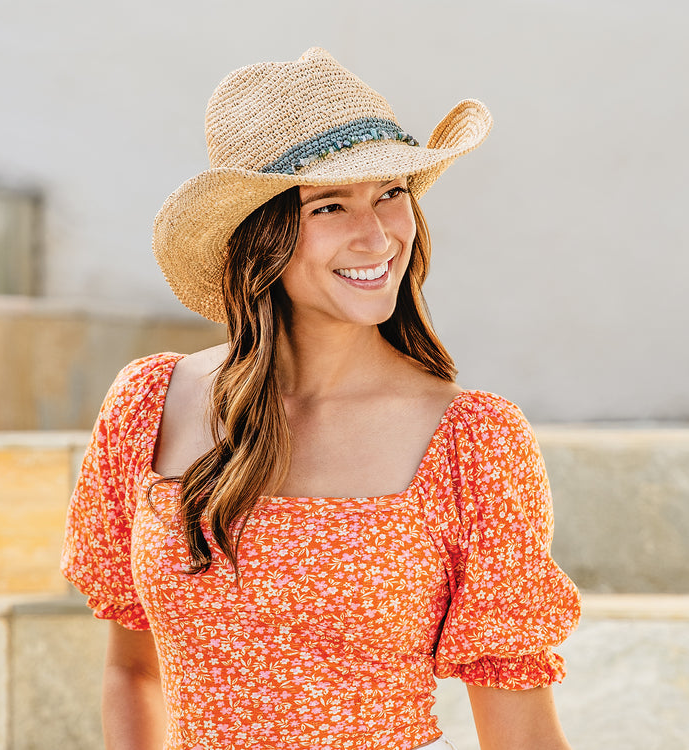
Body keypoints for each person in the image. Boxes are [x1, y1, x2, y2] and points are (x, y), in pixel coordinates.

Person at [61, 47, 581, 750]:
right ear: (261, 238)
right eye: (331, 204)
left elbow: (519, 727)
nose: (376, 234)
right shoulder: (147, 405)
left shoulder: (473, 441)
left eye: (391, 193)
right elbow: (135, 675)